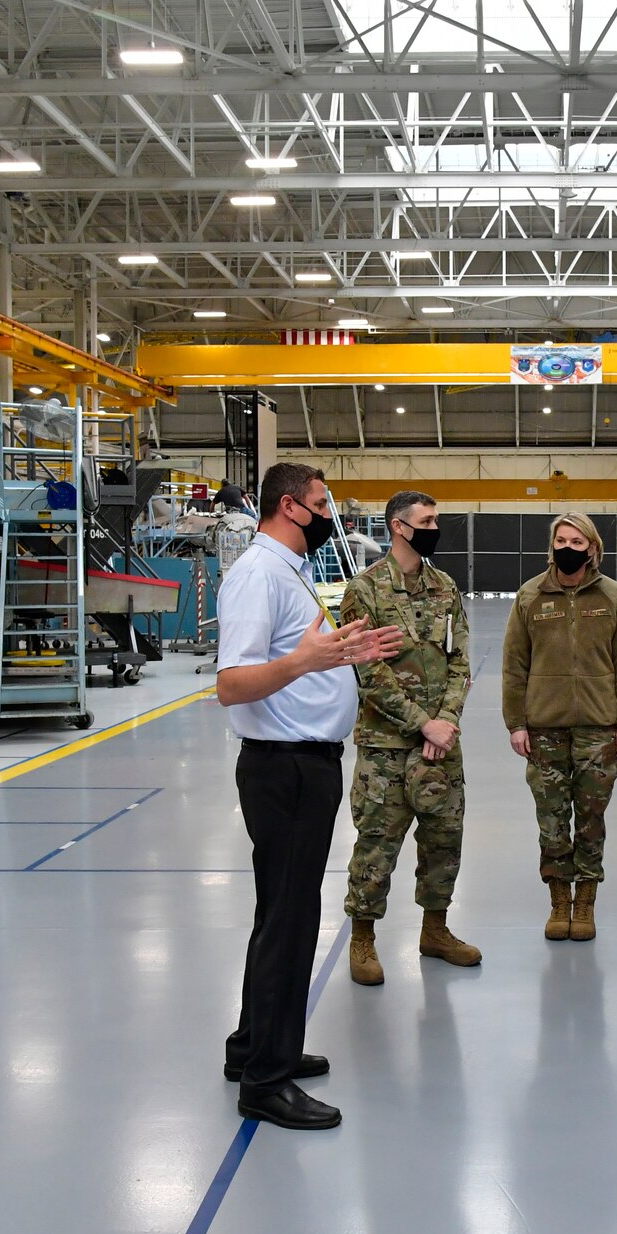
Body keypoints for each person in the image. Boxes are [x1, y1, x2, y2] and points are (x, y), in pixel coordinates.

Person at [214, 463, 404, 1130]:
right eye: (322, 503)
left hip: (302, 762)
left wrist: (351, 654)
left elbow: (300, 656)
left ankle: (254, 1046)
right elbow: (233, 682)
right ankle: (266, 1079)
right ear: (291, 506)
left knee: (280, 913)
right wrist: (309, 662)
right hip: (285, 769)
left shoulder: (286, 569)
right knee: (290, 922)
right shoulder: (258, 574)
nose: (331, 514)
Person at [341, 490, 480, 986]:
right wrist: (422, 723)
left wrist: (445, 723)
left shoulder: (445, 587)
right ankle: (363, 938)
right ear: (399, 527)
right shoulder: (366, 590)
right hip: (386, 747)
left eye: (436, 519)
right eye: (427, 520)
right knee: (377, 845)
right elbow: (367, 669)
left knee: (444, 841)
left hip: (440, 745)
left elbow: (461, 662)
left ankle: (435, 930)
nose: (435, 527)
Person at [502, 513, 617, 943]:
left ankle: (586, 901)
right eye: (561, 540)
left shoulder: (613, 596)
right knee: (551, 819)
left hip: (598, 730)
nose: (568, 548)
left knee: (591, 819)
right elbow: (514, 665)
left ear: (592, 549)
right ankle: (559, 900)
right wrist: (516, 722)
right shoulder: (530, 596)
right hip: (544, 729)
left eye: (577, 541)